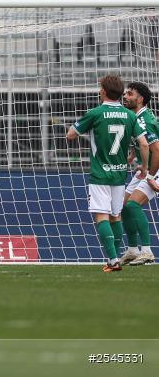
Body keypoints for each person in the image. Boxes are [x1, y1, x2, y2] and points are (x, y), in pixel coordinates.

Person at [67, 74, 149, 273]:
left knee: (102, 217)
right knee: (115, 216)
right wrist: (144, 167)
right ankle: (116, 256)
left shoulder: (95, 113)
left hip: (100, 174)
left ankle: (113, 261)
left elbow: (70, 135)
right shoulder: (130, 115)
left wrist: (80, 128)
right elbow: (144, 143)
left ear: (103, 91)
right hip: (120, 175)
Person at [119, 81, 159, 265]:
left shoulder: (145, 121)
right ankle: (133, 250)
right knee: (123, 206)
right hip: (146, 168)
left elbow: (157, 150)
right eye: (125, 93)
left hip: (155, 169)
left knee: (133, 205)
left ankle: (148, 251)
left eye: (130, 94)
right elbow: (140, 142)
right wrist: (133, 158)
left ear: (140, 99)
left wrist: (150, 175)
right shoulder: (134, 117)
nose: (125, 96)